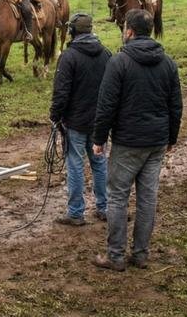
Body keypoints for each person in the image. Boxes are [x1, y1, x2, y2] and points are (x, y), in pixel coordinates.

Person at [91, 8, 182, 271]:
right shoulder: (168, 63)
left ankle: (116, 256)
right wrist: (171, 137)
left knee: (118, 197)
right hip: (156, 142)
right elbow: (176, 105)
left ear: (129, 31)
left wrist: (99, 138)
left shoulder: (119, 62)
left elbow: (106, 104)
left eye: (123, 29)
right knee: (147, 198)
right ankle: (141, 254)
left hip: (128, 142)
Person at [50, 13, 111, 227]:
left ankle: (76, 213)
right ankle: (104, 208)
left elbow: (61, 92)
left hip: (75, 122)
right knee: (100, 162)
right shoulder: (106, 54)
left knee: (75, 164)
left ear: (73, 32)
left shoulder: (68, 57)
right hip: (99, 122)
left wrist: (55, 116)